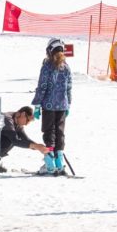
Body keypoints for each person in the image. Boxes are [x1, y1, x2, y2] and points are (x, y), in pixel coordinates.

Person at [32, 37, 73, 175]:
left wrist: (37, 104)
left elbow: (42, 87)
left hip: (49, 106)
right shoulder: (66, 67)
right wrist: (68, 105)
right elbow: (69, 88)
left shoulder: (47, 67)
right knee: (60, 133)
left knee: (49, 132)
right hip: (62, 105)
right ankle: (59, 161)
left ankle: (50, 163)